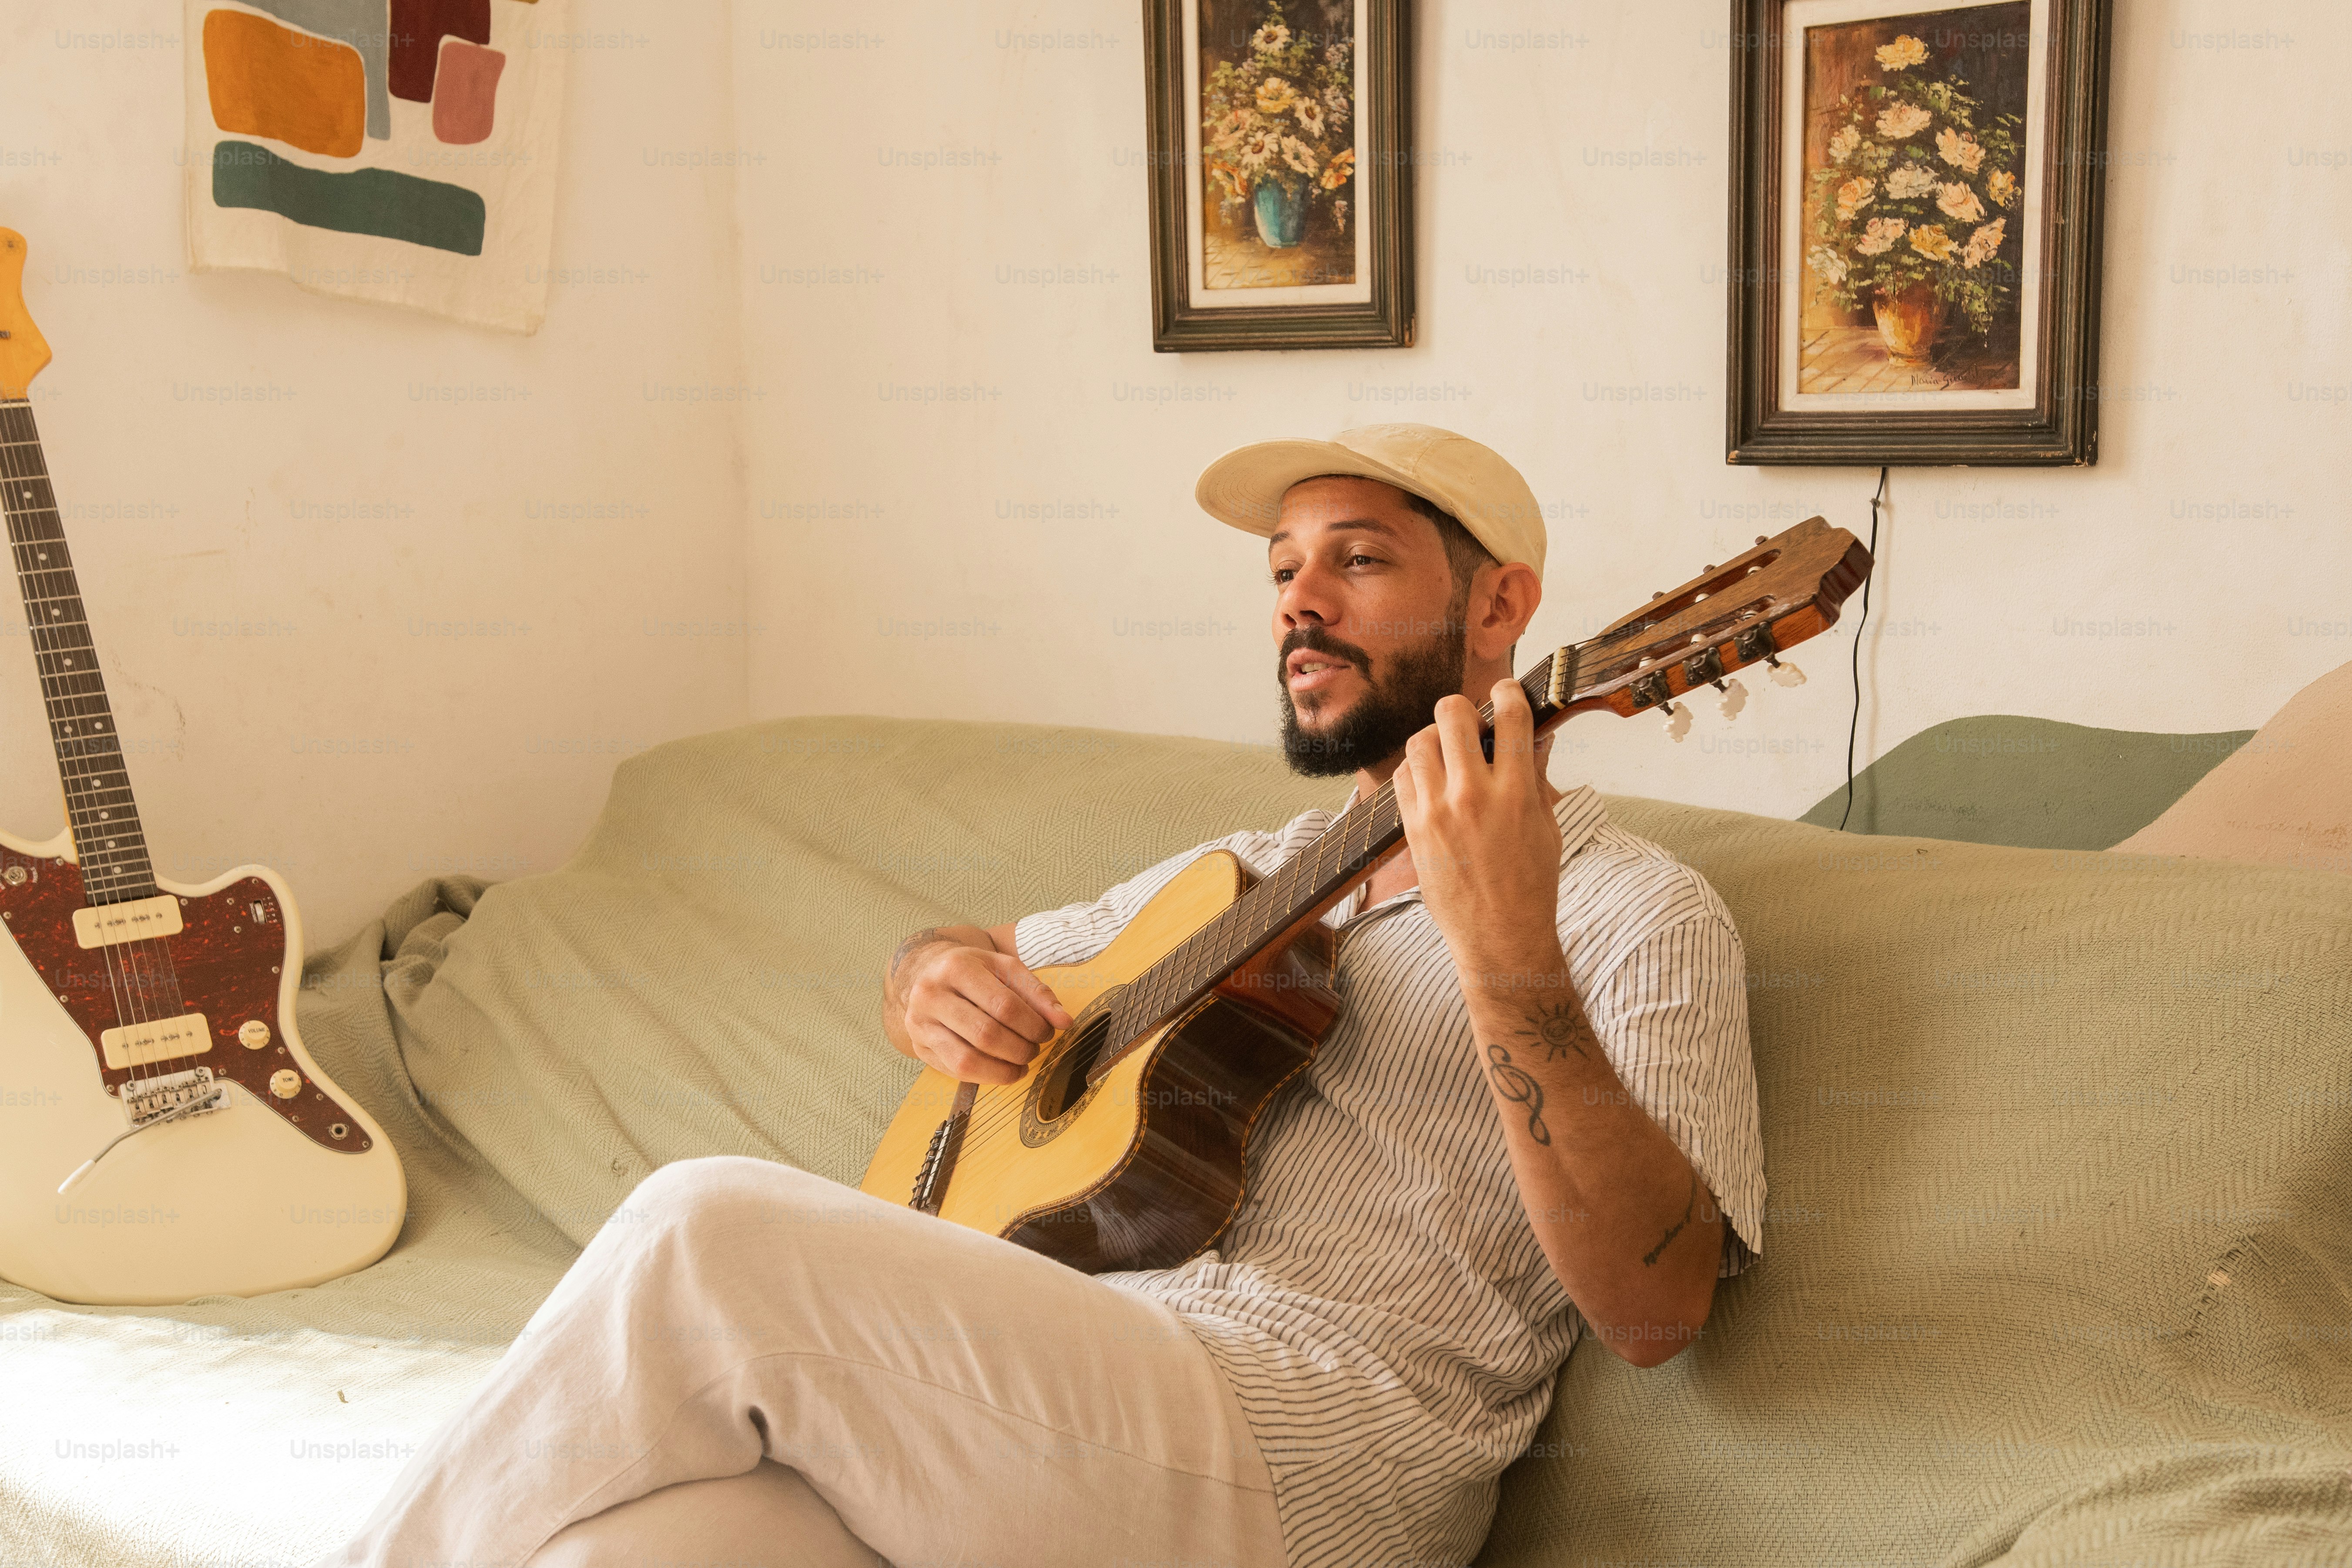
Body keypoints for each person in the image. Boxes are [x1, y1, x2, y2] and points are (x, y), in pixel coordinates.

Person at [319, 423, 1765, 1568]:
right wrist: (929, 979)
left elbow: (1658, 1304)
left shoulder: (1636, 910)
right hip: (1044, 1421)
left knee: (703, 1227)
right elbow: (981, 950)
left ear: (1502, 602)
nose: (1299, 604)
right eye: (1280, 571)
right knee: (622, 1550)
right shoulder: (1245, 875)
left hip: (1306, 1464)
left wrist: (1511, 963)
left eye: (1359, 561)